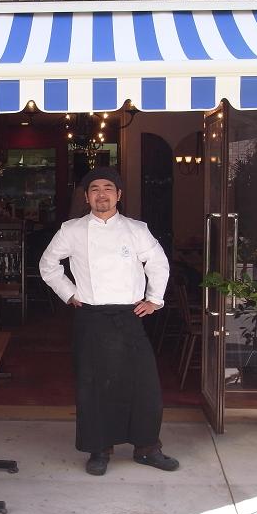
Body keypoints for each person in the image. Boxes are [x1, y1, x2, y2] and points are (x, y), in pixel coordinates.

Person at [38, 166, 178, 476]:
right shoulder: (71, 230)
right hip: (91, 317)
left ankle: (147, 448)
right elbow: (48, 265)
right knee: (94, 387)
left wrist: (154, 299)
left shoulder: (136, 229)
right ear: (86, 197)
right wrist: (69, 293)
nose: (102, 194)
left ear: (119, 195)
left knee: (144, 385)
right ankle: (99, 449)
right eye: (95, 189)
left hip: (130, 316)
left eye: (108, 189)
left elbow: (158, 263)